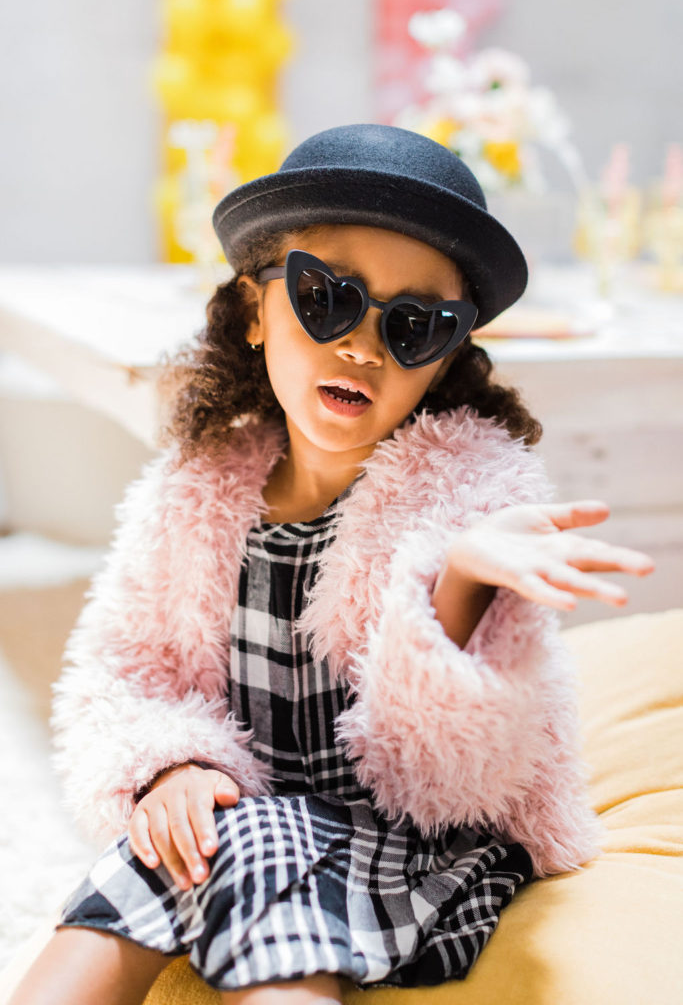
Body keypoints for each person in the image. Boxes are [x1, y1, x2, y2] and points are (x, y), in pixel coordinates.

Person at [10, 124, 654, 1005]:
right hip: (248, 804)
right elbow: (125, 667)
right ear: (253, 311)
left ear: (445, 358)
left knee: (258, 847)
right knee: (135, 876)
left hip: (416, 839)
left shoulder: (468, 500)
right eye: (326, 298)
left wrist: (459, 584)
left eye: (414, 326)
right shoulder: (200, 486)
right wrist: (171, 767)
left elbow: (447, 777)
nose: (362, 347)